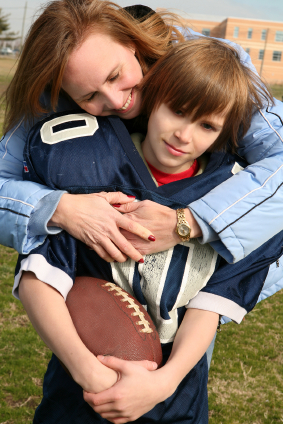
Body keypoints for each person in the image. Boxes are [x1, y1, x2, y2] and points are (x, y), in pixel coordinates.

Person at [16, 38, 283, 424]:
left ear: (225, 134)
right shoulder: (92, 166)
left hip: (177, 393)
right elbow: (36, 276)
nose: (184, 135)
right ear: (153, 97)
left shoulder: (231, 192)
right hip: (83, 386)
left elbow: (211, 303)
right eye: (177, 111)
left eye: (206, 125)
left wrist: (164, 383)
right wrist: (91, 375)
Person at [0, 0, 283, 291]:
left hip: (199, 291)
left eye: (114, 76)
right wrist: (61, 209)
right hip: (96, 291)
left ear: (131, 42)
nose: (114, 101)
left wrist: (188, 223)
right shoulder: (52, 95)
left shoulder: (210, 72)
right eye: (89, 97)